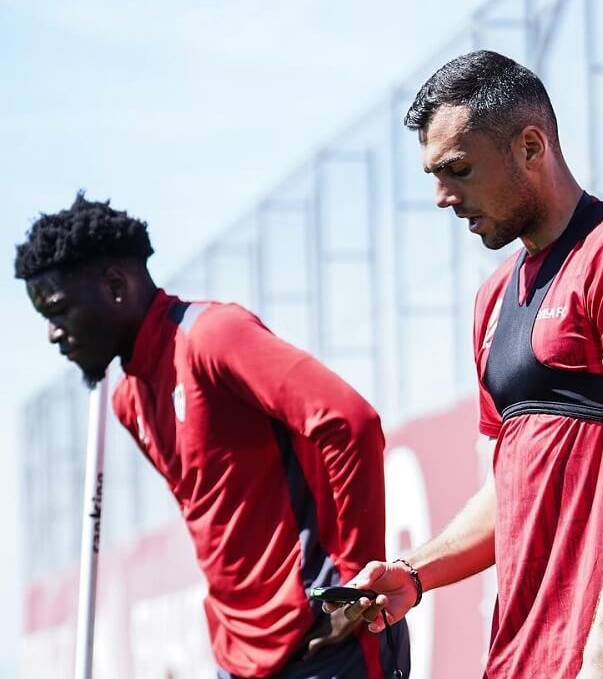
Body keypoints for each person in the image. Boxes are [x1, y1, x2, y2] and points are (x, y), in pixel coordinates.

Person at [330, 50, 603, 679]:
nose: (442, 197)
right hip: (520, 657)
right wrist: (415, 573)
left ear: (531, 147)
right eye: (433, 174)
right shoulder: (491, 301)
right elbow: (508, 494)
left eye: (457, 169)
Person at [15, 194, 410, 679]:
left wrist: (354, 586)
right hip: (238, 655)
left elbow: (351, 422)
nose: (53, 335)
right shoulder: (127, 401)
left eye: (59, 311)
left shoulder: (212, 337)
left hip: (324, 642)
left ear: (116, 285)